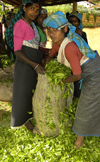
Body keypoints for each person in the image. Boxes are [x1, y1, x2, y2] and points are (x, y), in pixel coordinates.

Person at [43, 11, 100, 148]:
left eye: (55, 30)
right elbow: (51, 55)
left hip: (94, 73)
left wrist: (60, 81)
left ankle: (79, 141)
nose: (51, 34)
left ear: (65, 29)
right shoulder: (58, 42)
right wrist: (45, 65)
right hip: (88, 71)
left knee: (85, 106)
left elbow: (77, 75)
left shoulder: (69, 47)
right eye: (49, 30)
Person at [5, 0, 45, 132]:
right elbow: (17, 51)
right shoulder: (20, 25)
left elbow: (33, 45)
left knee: (29, 93)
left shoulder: (32, 24)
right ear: (24, 8)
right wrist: (34, 65)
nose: (35, 12)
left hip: (32, 65)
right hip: (25, 65)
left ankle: (29, 118)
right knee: (22, 94)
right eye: (32, 8)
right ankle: (25, 123)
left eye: (37, 9)